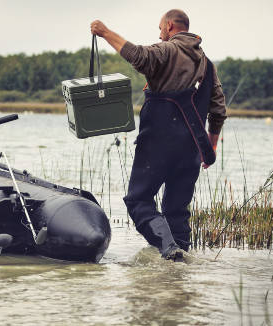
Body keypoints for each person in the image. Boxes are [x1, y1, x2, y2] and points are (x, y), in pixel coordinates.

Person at [91, 9, 227, 261]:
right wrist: (211, 148)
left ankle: (167, 247)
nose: (160, 35)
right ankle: (181, 266)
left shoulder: (167, 50)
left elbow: (138, 56)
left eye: (160, 29)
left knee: (138, 200)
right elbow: (218, 110)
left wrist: (105, 32)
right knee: (177, 211)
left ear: (170, 26)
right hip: (191, 150)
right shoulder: (208, 66)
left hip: (158, 144)